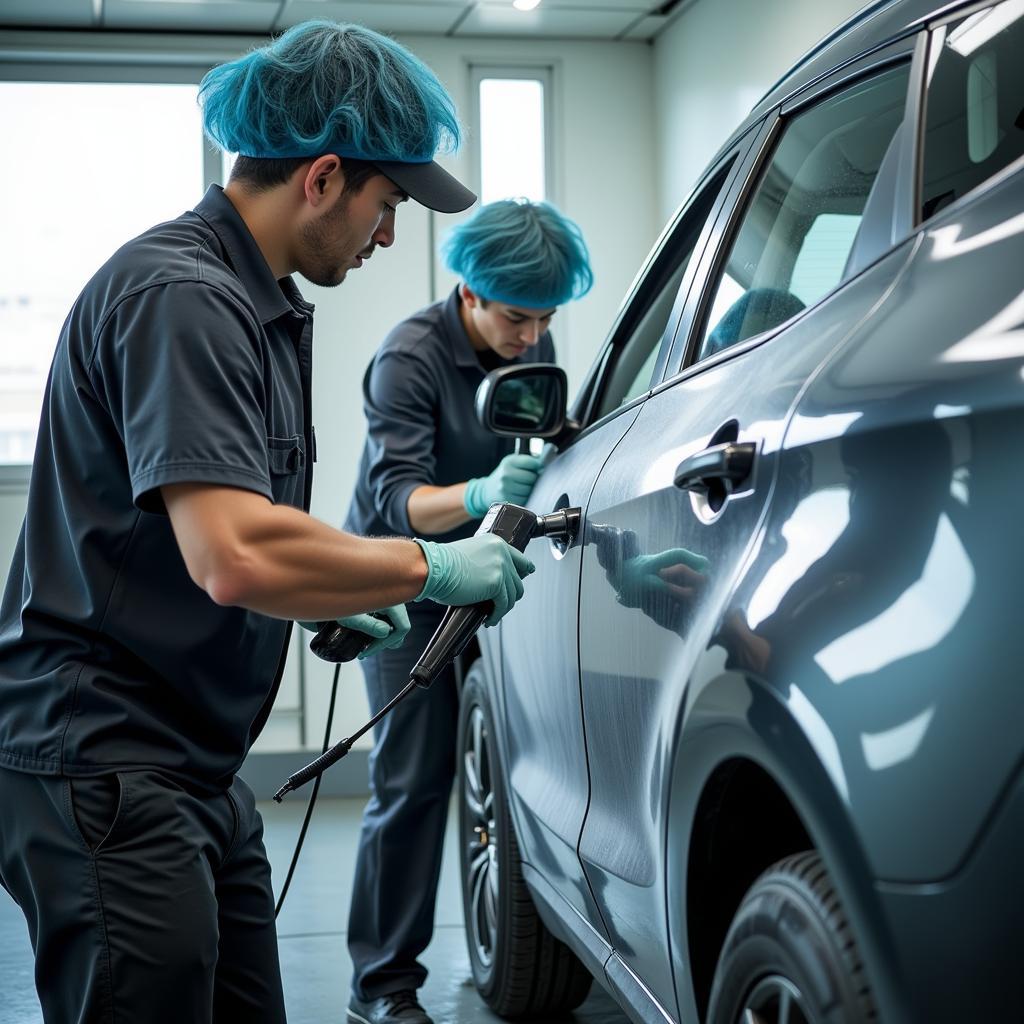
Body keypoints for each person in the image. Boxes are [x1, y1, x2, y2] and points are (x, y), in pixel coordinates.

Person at [0, 22, 536, 1024]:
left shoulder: (261, 306)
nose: (389, 236)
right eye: (387, 205)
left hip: (191, 759)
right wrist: (425, 568)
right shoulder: (183, 296)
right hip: (105, 757)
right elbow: (235, 554)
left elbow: (215, 532)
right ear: (324, 178)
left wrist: (343, 589)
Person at [343, 198, 593, 1024]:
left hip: (487, 574)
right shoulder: (408, 358)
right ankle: (381, 987)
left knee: (514, 757)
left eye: (546, 320)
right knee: (413, 782)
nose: (531, 339)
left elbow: (550, 437)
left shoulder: (531, 342)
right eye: (518, 319)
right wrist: (480, 492)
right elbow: (394, 499)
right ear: (470, 292)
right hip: (402, 585)